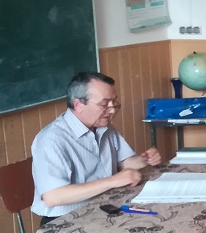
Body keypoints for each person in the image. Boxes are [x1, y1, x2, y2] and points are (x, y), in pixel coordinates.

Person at [31, 71, 162, 225]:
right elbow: (53, 197)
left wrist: (144, 159)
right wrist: (113, 181)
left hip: (103, 208)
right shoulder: (51, 140)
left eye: (113, 102)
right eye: (104, 104)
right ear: (79, 105)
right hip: (65, 222)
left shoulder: (103, 126)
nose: (111, 110)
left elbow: (124, 164)